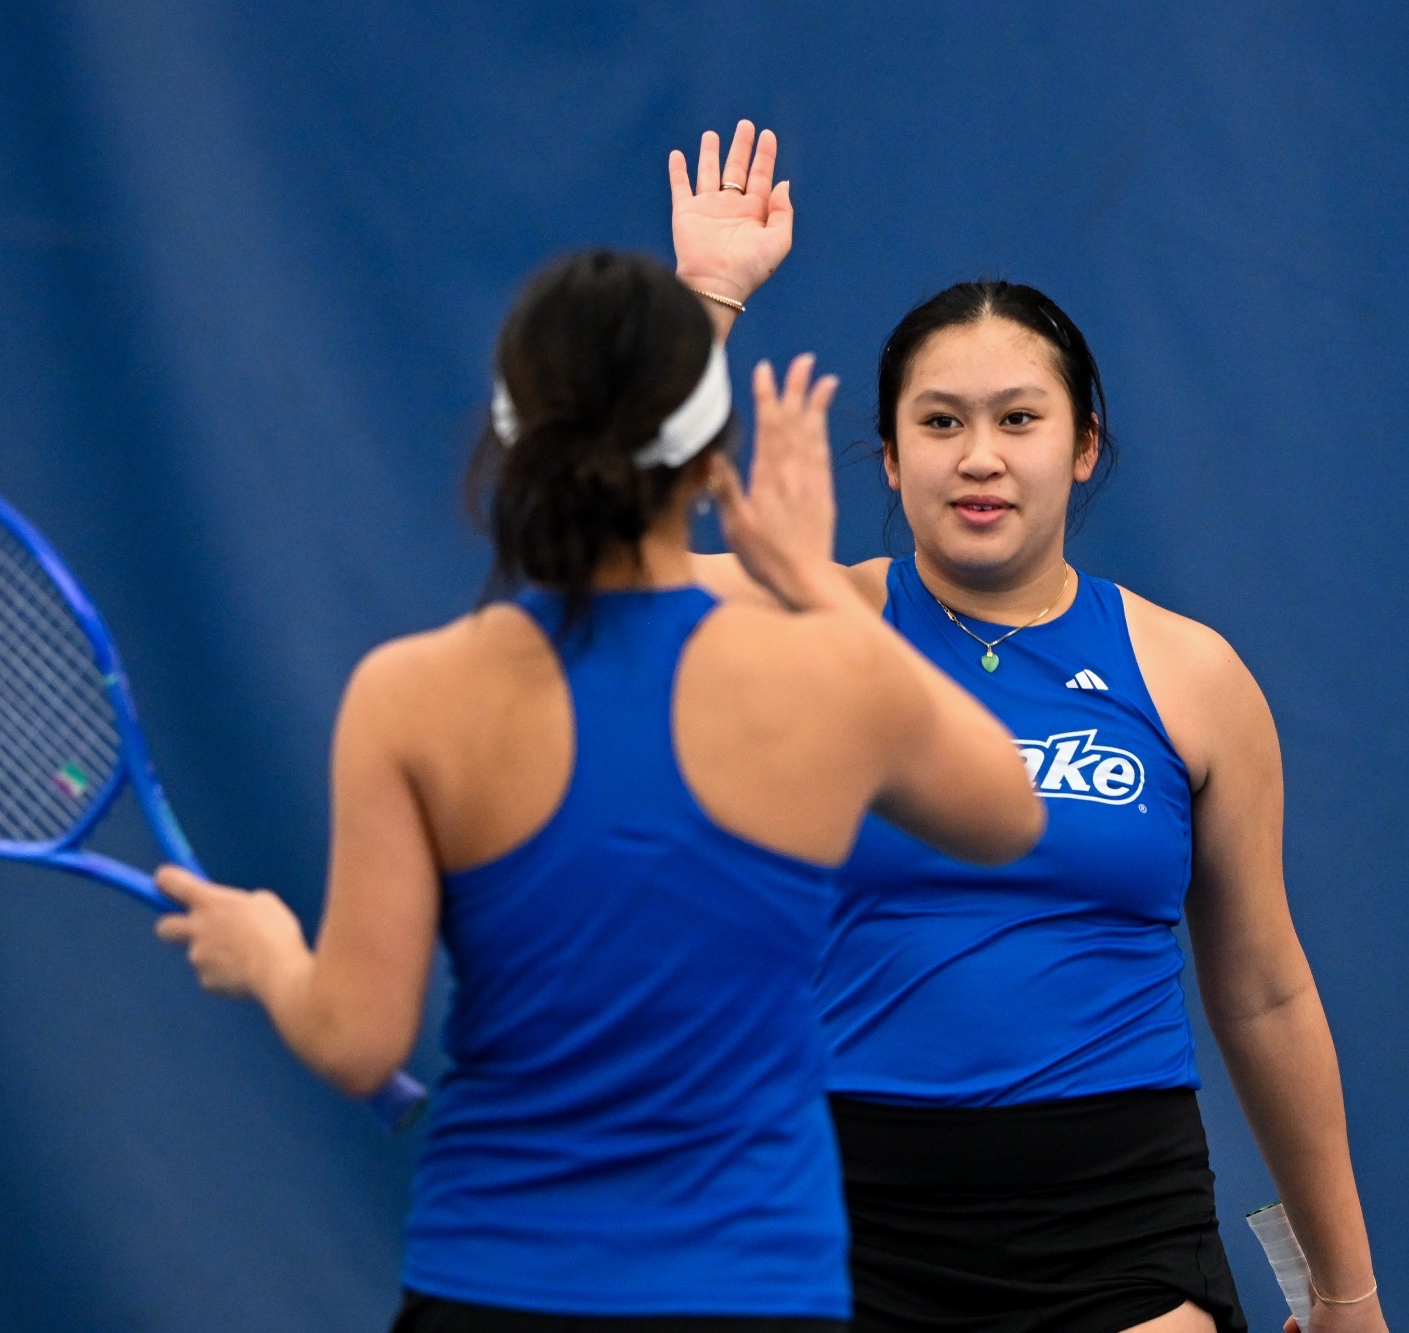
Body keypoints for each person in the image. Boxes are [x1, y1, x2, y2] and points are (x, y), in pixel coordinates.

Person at [151, 250, 1045, 1331]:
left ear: (510, 437)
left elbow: (355, 1041)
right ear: (714, 453)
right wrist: (809, 582)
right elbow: (1009, 811)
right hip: (755, 1292)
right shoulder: (828, 675)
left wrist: (265, 954)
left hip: (491, 1286)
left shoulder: (408, 696)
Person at [672, 121, 1387, 1333]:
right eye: (939, 423)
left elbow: (1263, 992)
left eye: (1018, 419)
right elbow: (585, 566)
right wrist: (703, 300)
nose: (978, 457)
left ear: (1084, 447)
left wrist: (1343, 1291)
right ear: (888, 461)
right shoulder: (811, 619)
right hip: (839, 1215)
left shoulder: (1190, 675)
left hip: (1112, 1219)